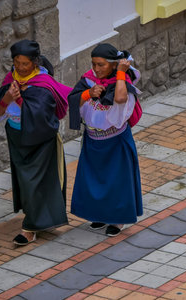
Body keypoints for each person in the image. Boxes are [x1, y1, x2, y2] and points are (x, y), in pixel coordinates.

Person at [0, 39, 72, 246]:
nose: (21, 68)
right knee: (26, 183)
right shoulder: (10, 80)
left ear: (35, 62)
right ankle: (40, 219)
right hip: (17, 139)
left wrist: (21, 100)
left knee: (34, 183)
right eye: (17, 63)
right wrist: (6, 100)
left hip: (40, 142)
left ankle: (29, 229)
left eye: (25, 64)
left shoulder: (43, 83)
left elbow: (45, 117)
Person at [68, 43, 143, 237]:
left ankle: (118, 220)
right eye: (94, 64)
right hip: (93, 140)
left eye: (101, 65)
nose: (97, 69)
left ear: (112, 65)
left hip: (116, 141)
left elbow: (119, 99)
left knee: (117, 181)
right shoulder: (88, 80)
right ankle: (99, 215)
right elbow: (73, 99)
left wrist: (120, 73)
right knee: (94, 180)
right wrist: (88, 93)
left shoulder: (123, 82)